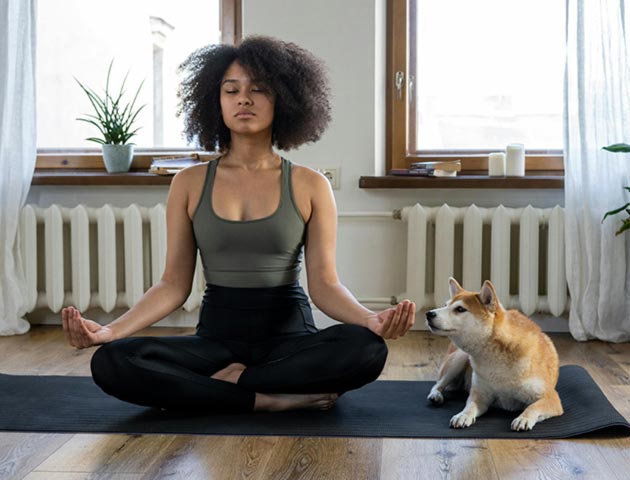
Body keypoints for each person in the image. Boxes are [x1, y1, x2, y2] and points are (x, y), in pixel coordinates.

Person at [62, 36, 416, 413]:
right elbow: (172, 284)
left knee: (366, 350)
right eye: (231, 90)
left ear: (284, 101)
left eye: (258, 90)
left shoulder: (311, 184)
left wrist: (368, 320)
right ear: (216, 102)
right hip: (216, 342)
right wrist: (111, 330)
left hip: (289, 340)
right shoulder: (189, 182)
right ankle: (264, 398)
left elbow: (325, 285)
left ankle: (227, 387)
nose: (243, 99)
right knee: (112, 361)